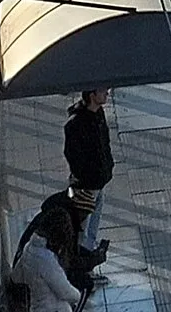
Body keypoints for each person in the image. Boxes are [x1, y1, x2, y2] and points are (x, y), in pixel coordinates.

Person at [8, 200, 85, 311]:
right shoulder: (46, 259)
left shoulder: (29, 248)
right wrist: (78, 294)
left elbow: (16, 276)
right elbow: (66, 292)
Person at [63, 89, 113, 252]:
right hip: (86, 185)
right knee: (81, 229)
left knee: (92, 228)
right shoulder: (76, 123)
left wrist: (107, 167)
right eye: (103, 91)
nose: (107, 93)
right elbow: (72, 155)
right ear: (92, 95)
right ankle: (78, 263)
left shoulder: (99, 113)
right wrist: (87, 176)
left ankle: (87, 258)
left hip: (99, 182)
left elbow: (104, 143)